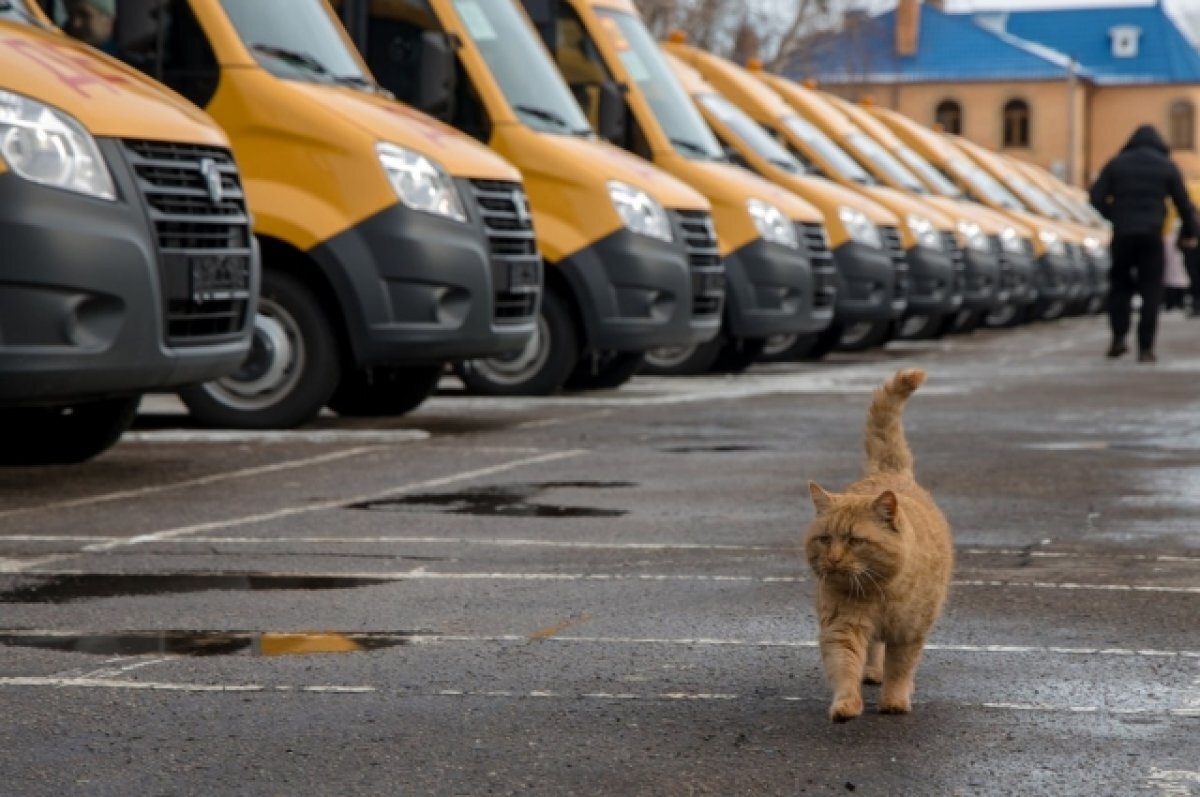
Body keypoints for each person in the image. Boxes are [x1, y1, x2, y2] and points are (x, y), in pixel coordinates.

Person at [1090, 125, 1198, 363]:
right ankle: (1146, 347)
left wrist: (1114, 215)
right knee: (1151, 289)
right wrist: (1189, 233)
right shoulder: (1166, 166)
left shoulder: (1116, 164)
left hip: (1123, 234)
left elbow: (1095, 197)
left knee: (1120, 286)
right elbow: (1184, 204)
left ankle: (1118, 338)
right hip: (1152, 235)